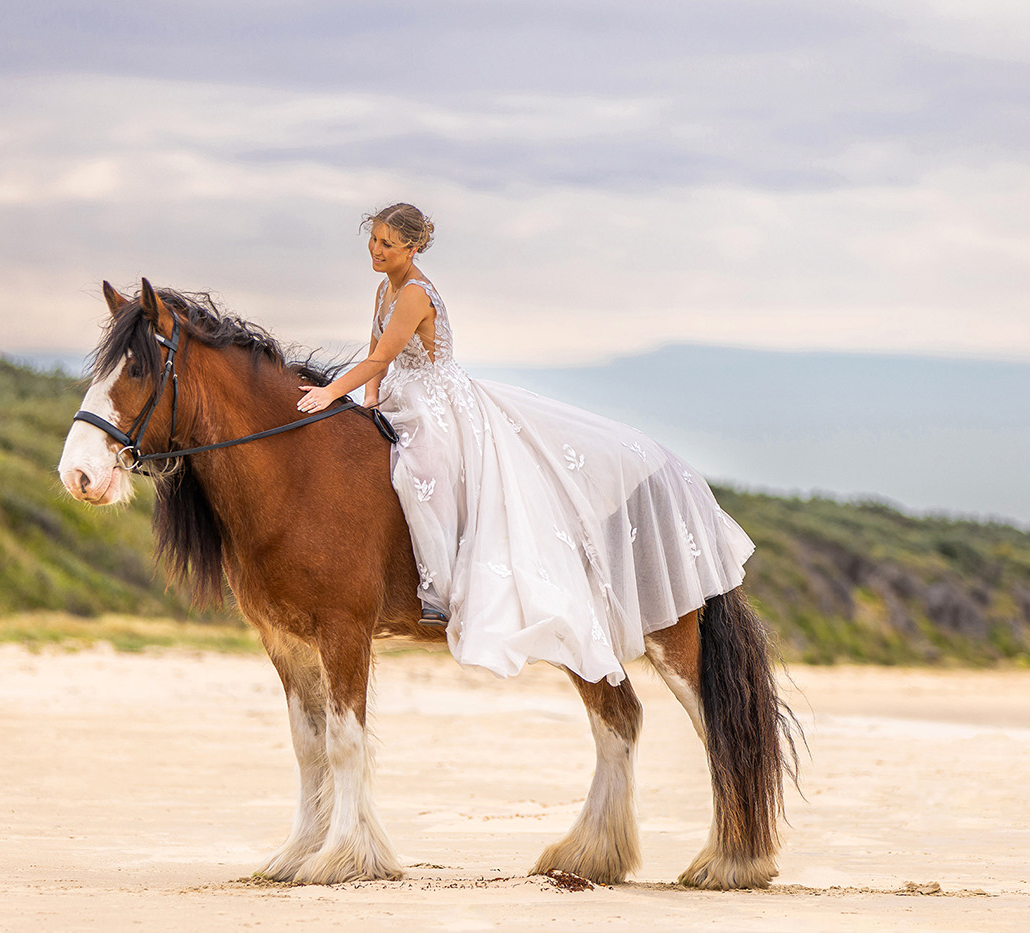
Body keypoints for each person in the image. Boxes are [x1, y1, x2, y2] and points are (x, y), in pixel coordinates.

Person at [296, 203, 755, 686]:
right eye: (373, 240)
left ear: (412, 247)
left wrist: (331, 392)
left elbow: (385, 354)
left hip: (436, 399)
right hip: (400, 393)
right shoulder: (381, 290)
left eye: (387, 244)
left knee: (424, 474)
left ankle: (438, 590)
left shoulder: (413, 294)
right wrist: (367, 399)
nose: (376, 250)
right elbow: (376, 359)